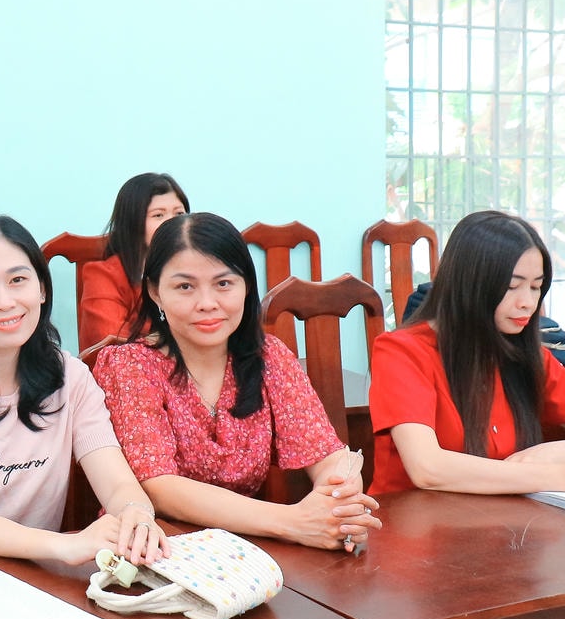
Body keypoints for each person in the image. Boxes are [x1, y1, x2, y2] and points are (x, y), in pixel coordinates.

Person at [91, 212, 380, 551]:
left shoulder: (269, 357)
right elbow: (159, 486)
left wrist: (340, 508)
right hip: (156, 547)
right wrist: (293, 522)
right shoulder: (130, 365)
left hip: (247, 549)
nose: (207, 304)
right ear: (155, 291)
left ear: (246, 286)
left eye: (224, 284)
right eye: (185, 287)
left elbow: (329, 455)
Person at [0, 213, 166, 566]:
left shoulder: (71, 376)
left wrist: (137, 514)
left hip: (35, 566)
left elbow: (117, 485)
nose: (5, 301)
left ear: (42, 289)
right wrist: (63, 545)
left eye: (18, 280)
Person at [370, 209, 565, 495]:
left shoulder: (526, 355)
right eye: (513, 286)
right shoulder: (401, 352)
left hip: (500, 518)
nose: (528, 303)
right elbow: (427, 468)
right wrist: (561, 476)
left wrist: (550, 455)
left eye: (536, 287)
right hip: (412, 519)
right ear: (469, 283)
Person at [79, 172, 190, 351]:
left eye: (179, 214)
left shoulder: (197, 270)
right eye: (158, 215)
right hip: (130, 366)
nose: (172, 224)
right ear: (133, 222)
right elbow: (112, 343)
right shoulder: (103, 275)